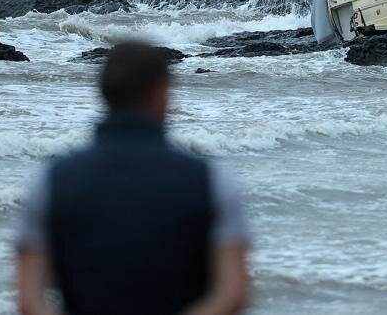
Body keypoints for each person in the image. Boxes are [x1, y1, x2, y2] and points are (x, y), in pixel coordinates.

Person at [15, 42, 250, 315]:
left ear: (103, 94)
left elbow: (29, 300)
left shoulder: (51, 180)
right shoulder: (211, 180)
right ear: (161, 93)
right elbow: (233, 293)